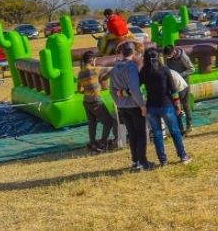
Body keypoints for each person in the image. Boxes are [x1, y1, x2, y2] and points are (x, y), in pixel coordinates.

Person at [140, 48, 192, 166]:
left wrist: (123, 92)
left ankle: (163, 160)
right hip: (166, 105)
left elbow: (134, 87)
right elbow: (173, 90)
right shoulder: (164, 70)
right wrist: (177, 104)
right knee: (175, 131)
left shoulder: (144, 72)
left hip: (151, 107)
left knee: (157, 134)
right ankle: (183, 156)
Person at [108, 43, 153, 171]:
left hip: (122, 107)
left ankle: (135, 161)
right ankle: (143, 162)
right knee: (141, 134)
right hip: (134, 106)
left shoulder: (115, 68)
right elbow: (134, 88)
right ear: (133, 53)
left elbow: (111, 89)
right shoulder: (132, 67)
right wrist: (142, 105)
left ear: (122, 53)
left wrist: (118, 101)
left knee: (132, 134)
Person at [77, 51, 115, 152]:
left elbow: (79, 89)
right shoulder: (95, 70)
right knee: (109, 122)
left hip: (86, 102)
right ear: (92, 60)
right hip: (95, 101)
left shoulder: (80, 73)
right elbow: (112, 69)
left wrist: (88, 89)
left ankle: (93, 143)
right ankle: (103, 142)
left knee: (92, 124)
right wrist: (103, 78)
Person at [163, 45, 194, 135]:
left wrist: (180, 75)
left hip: (184, 84)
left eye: (169, 55)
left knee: (186, 105)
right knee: (176, 106)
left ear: (174, 52)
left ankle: (189, 125)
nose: (168, 57)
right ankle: (181, 128)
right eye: (167, 56)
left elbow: (192, 69)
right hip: (173, 85)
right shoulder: (167, 58)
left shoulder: (182, 57)